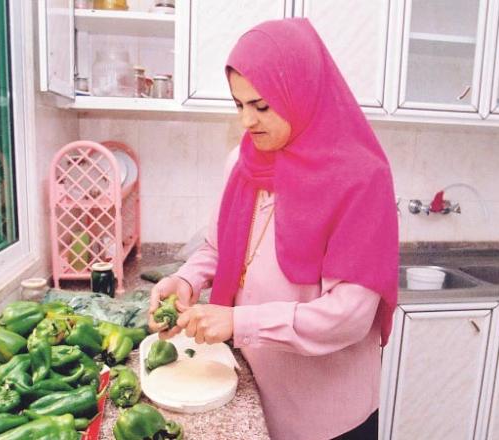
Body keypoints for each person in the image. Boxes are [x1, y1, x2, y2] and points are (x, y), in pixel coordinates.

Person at [148, 18, 398, 440]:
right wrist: (186, 280)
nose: (247, 121)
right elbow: (217, 247)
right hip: (253, 383)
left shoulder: (361, 179)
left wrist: (240, 323)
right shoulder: (243, 162)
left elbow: (350, 316)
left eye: (262, 106)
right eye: (239, 105)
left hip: (326, 413)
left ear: (301, 93)